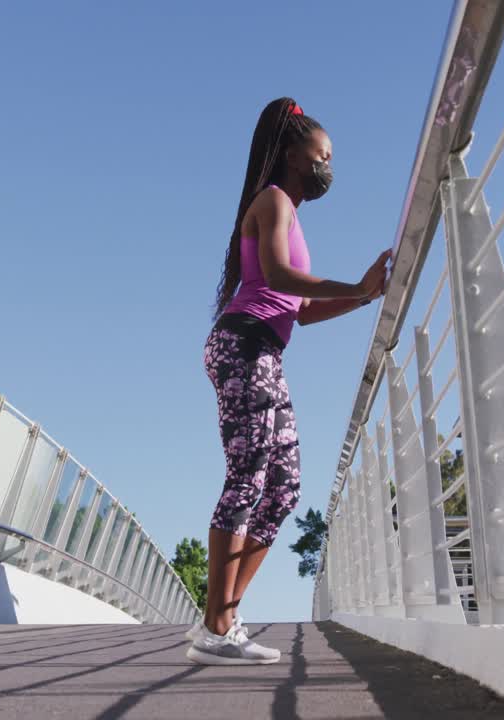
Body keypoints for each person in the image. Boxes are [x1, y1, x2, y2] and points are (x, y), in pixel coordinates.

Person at [186, 97, 390, 665]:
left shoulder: (293, 217)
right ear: (293, 154)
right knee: (248, 474)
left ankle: (221, 619)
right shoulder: (272, 200)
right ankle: (217, 625)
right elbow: (275, 275)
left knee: (284, 489)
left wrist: (364, 294)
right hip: (243, 344)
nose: (328, 166)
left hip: (266, 352)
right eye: (322, 155)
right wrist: (355, 282)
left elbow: (299, 309)